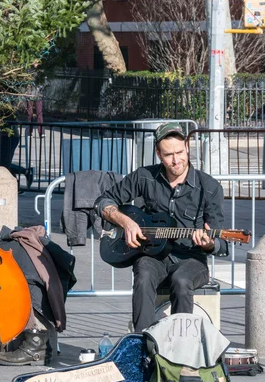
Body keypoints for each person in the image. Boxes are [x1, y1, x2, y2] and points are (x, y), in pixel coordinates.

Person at [94, 122, 229, 333]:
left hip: (192, 260)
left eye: (180, 152)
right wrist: (125, 222)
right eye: (168, 155)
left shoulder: (209, 187)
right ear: (158, 154)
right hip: (153, 255)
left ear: (187, 147)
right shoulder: (144, 177)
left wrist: (210, 243)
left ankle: (180, 349)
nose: (176, 160)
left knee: (181, 281)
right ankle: (142, 346)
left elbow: (223, 244)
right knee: (144, 274)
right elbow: (103, 201)